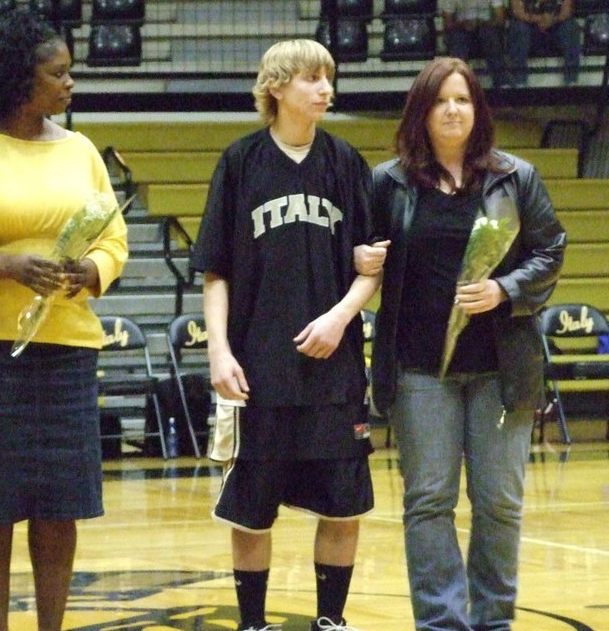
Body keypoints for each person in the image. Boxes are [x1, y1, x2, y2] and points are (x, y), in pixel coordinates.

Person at [0, 10, 128, 631]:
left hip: (67, 346)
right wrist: (5, 264)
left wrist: (88, 272)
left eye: (70, 72)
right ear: (20, 78)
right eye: (57, 73)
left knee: (59, 506)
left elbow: (113, 238)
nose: (70, 83)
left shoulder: (81, 150)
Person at [191, 38, 387, 631]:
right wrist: (219, 351)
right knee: (251, 512)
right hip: (259, 370)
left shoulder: (346, 162)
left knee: (344, 505)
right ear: (276, 87)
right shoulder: (240, 162)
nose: (326, 89)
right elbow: (216, 270)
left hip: (334, 368)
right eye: (311, 78)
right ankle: (253, 623)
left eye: (328, 77)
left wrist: (340, 317)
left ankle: (331, 620)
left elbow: (372, 266)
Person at [369, 57, 566, 631]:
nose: (452, 110)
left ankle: (494, 621)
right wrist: (360, 256)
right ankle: (440, 622)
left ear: (477, 109)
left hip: (501, 369)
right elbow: (361, 256)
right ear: (421, 112)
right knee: (429, 501)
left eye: (462, 99)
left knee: (499, 502)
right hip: (419, 370)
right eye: (440, 100)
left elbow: (551, 250)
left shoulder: (516, 177)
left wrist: (505, 289)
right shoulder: (389, 183)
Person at [506, 0, 580, 86]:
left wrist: (553, 19)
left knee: (570, 26)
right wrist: (539, 18)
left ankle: (571, 81)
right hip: (530, 29)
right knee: (518, 27)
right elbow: (517, 12)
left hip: (555, 28)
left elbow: (567, 10)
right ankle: (520, 81)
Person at [440, 0, 508, 89]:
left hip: (487, 28)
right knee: (457, 40)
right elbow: (447, 24)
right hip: (461, 30)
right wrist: (462, 24)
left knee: (489, 36)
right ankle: (458, 85)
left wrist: (482, 22)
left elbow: (500, 19)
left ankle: (501, 83)